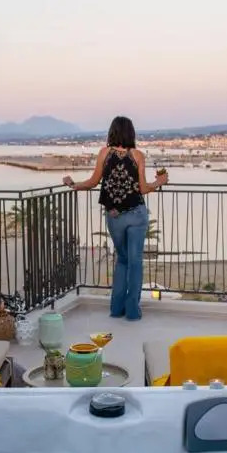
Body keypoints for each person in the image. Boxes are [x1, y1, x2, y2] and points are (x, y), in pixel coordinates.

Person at [63, 116, 168, 320]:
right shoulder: (137, 155)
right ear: (131, 133)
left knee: (122, 260)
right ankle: (132, 311)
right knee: (135, 262)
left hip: (114, 216)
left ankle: (116, 309)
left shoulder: (104, 153)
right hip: (136, 214)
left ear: (112, 132)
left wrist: (73, 184)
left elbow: (93, 182)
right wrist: (160, 181)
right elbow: (143, 188)